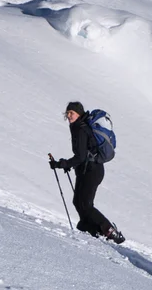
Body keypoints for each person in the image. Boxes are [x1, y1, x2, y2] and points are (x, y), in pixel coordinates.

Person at [50, 101, 124, 243]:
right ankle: (91, 228)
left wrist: (62, 164)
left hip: (92, 170)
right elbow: (82, 155)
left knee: (85, 204)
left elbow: (81, 156)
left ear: (79, 114)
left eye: (72, 113)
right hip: (86, 169)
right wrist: (69, 164)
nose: (69, 115)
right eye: (68, 113)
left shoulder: (81, 129)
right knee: (78, 202)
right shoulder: (78, 127)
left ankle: (110, 231)